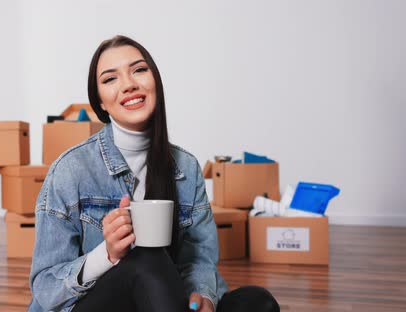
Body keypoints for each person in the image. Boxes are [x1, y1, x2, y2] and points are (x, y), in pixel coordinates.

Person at [28, 35, 279, 312]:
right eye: (110, 79)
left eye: (139, 70)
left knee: (258, 303)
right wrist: (107, 254)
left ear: (155, 82)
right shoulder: (72, 169)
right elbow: (45, 286)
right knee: (148, 259)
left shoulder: (186, 168)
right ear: (100, 102)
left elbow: (198, 260)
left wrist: (202, 295)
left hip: (161, 302)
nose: (128, 84)